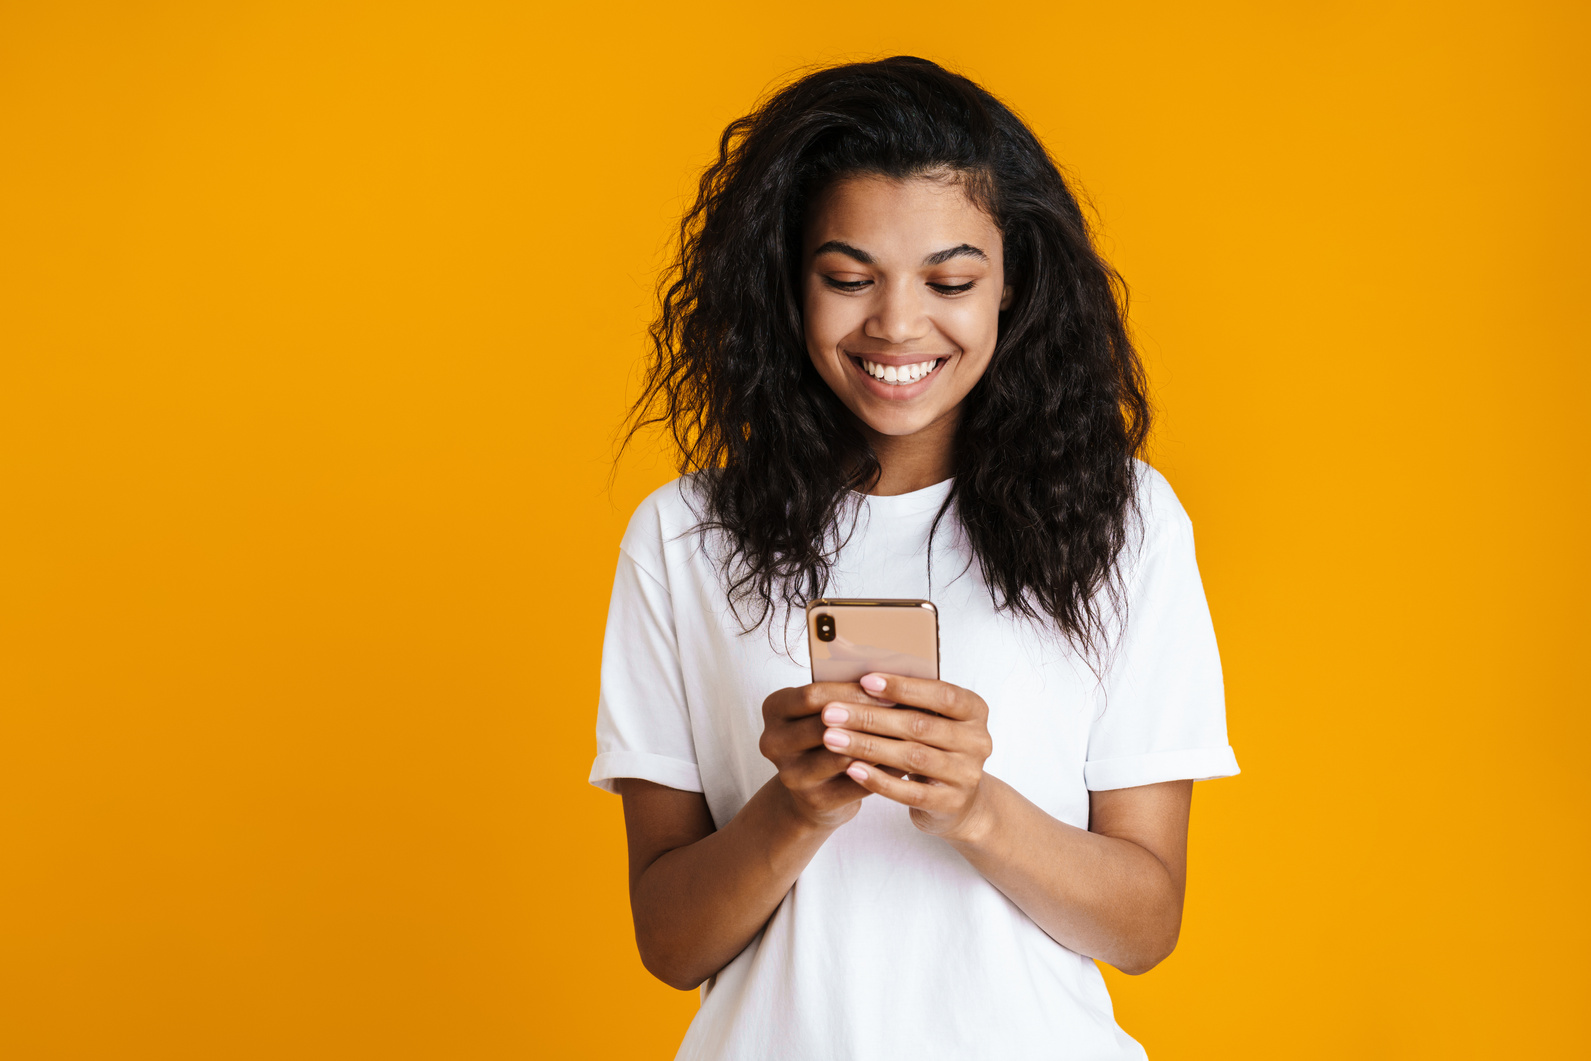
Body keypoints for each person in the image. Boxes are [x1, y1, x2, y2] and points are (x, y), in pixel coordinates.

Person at [589, 55, 1239, 1060]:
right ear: (785, 280)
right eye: (848, 278)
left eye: (950, 280)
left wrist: (973, 805)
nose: (895, 323)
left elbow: (1145, 921)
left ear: (1012, 286)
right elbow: (669, 941)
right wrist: (792, 810)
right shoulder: (682, 536)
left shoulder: (1127, 522)